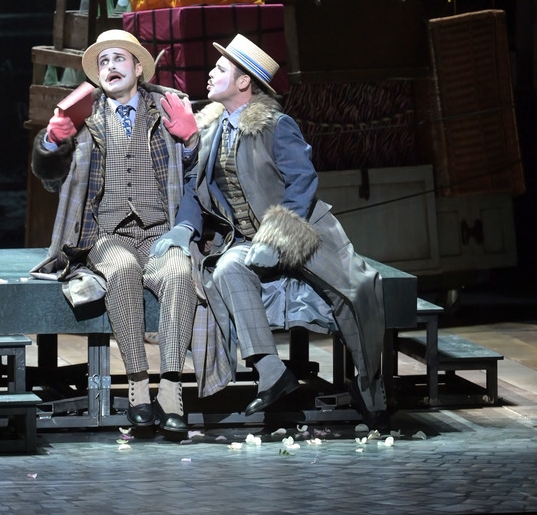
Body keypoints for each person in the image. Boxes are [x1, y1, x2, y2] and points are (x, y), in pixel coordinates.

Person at [151, 34, 389, 429]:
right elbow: (197, 187)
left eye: (221, 69)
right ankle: (272, 373)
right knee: (226, 270)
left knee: (355, 292)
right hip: (247, 241)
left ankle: (371, 382)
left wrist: (276, 240)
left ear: (244, 82)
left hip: (303, 231)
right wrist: (184, 227)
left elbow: (302, 182)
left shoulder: (278, 126)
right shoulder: (211, 132)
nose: (210, 73)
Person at [30, 29, 200, 437]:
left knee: (179, 274)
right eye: (103, 62)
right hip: (106, 234)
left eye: (118, 59)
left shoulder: (166, 108)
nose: (110, 68)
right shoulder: (85, 118)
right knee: (121, 269)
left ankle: (171, 391)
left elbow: (197, 173)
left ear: (138, 68)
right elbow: (50, 179)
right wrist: (52, 142)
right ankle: (139, 387)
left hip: (162, 232)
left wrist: (193, 140)